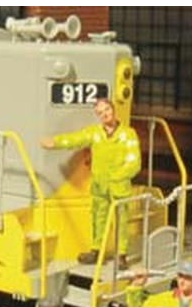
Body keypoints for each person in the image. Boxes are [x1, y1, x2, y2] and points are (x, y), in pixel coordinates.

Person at [41, 98, 141, 268]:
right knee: (98, 218)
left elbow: (134, 163)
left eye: (107, 109)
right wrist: (55, 142)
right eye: (100, 112)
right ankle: (96, 250)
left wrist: (116, 176)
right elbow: (76, 139)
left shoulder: (128, 134)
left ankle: (121, 254)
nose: (105, 114)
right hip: (99, 186)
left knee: (121, 220)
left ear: (113, 109)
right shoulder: (95, 133)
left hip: (118, 187)